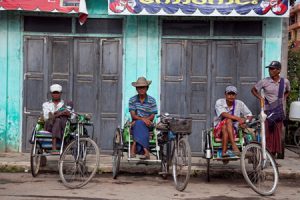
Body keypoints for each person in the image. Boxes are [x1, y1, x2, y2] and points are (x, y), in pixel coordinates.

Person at [251, 61, 290, 158]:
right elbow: (253, 90)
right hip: (268, 111)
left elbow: (288, 91)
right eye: (269, 69)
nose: (270, 71)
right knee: (268, 134)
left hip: (279, 112)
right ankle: (266, 156)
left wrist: (282, 99)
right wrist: (260, 98)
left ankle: (273, 157)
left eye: (273, 69)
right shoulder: (264, 81)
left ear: (279, 70)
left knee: (277, 134)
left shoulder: (285, 82)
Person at [214, 86, 253, 158]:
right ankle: (234, 145)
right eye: (229, 94)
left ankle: (224, 152)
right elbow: (223, 114)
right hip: (218, 131)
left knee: (225, 127)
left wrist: (245, 122)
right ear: (225, 94)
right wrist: (238, 118)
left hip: (233, 130)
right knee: (228, 120)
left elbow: (249, 115)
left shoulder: (239, 103)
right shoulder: (219, 102)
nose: (231, 96)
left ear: (236, 95)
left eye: (233, 94)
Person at [129, 77, 158, 160]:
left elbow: (152, 115)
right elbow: (133, 116)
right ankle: (146, 151)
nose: (141, 89)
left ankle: (134, 146)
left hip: (149, 123)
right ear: (136, 89)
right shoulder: (132, 100)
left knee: (139, 123)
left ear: (147, 88)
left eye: (143, 87)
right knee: (139, 123)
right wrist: (143, 120)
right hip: (136, 123)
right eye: (139, 87)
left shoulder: (152, 100)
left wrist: (146, 120)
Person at [42, 84, 72, 154]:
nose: (56, 95)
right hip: (49, 125)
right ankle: (54, 147)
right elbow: (46, 117)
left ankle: (55, 147)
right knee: (57, 120)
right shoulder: (46, 104)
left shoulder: (65, 104)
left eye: (57, 93)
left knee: (59, 120)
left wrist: (67, 114)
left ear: (60, 94)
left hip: (62, 126)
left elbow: (72, 115)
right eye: (54, 93)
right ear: (51, 94)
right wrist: (60, 114)